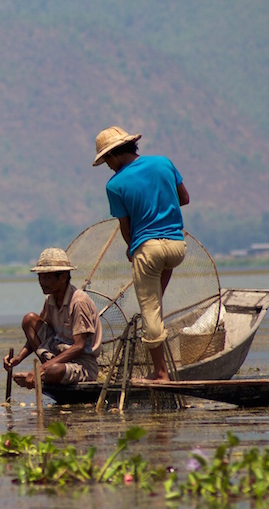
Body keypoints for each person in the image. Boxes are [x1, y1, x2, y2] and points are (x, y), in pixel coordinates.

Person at [93, 126, 190, 382]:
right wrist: (159, 204)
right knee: (155, 301)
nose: (109, 167)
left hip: (148, 249)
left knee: (149, 311)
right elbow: (184, 198)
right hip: (176, 246)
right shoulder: (163, 163)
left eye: (107, 162)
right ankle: (156, 319)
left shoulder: (115, 185)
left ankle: (160, 373)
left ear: (113, 155)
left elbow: (126, 228)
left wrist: (131, 248)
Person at [3, 248, 103, 390]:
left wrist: (41, 369)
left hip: (82, 365)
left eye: (47, 278)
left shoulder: (79, 302)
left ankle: (43, 374)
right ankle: (46, 372)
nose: (42, 282)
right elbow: (37, 333)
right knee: (29, 320)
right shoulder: (50, 300)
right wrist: (18, 358)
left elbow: (79, 347)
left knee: (54, 370)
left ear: (62, 277)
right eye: (40, 277)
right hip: (57, 354)